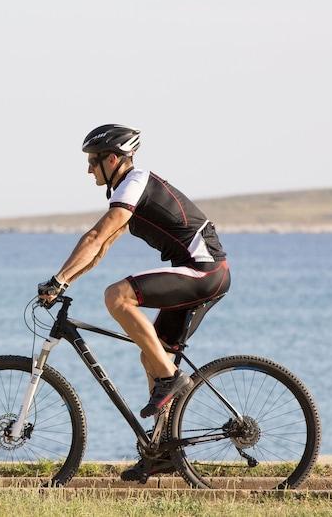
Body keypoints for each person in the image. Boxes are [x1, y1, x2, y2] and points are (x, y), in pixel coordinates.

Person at [37, 124, 231, 481]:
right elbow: (100, 250)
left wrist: (58, 278)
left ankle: (172, 379)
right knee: (151, 354)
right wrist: (63, 283)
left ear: (113, 159)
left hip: (205, 271)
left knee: (117, 296)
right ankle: (163, 452)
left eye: (93, 162)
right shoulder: (126, 192)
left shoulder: (135, 182)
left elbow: (95, 235)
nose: (88, 170)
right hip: (197, 271)